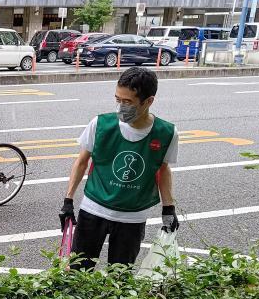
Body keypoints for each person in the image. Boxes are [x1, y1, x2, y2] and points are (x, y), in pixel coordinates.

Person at [59, 67, 179, 270]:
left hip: (133, 217)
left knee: (120, 278)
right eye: (118, 100)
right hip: (93, 209)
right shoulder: (101, 124)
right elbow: (81, 162)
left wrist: (168, 208)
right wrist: (68, 200)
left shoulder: (167, 133)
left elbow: (163, 169)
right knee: (78, 273)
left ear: (148, 101)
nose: (121, 107)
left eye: (128, 102)